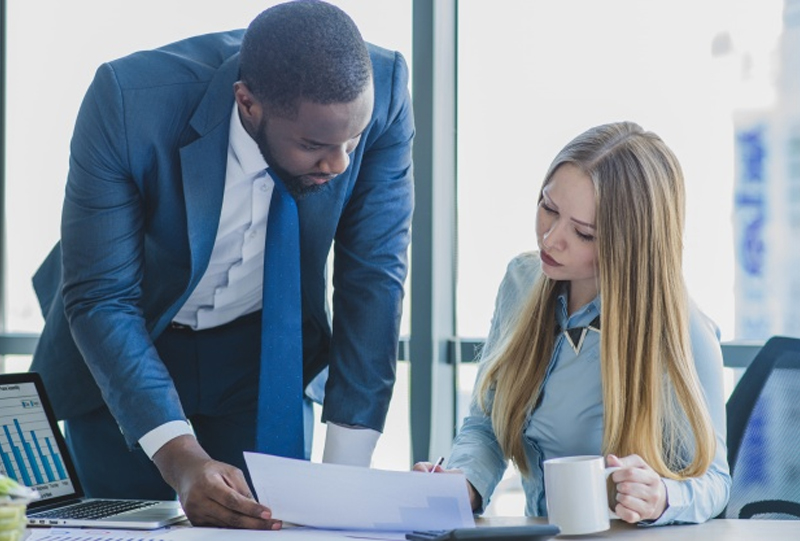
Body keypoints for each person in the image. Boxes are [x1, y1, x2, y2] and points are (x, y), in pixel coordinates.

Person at [31, 0, 414, 530]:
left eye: (352, 140)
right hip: (129, 348)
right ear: (247, 103)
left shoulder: (386, 87)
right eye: (314, 145)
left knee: (273, 524)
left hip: (262, 354)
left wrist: (343, 483)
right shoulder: (128, 102)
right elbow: (102, 298)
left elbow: (373, 278)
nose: (340, 163)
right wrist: (180, 458)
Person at [415, 122, 730, 525]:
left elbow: (715, 481)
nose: (550, 239)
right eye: (548, 208)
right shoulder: (521, 281)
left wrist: (664, 497)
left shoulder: (683, 332)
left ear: (628, 246)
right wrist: (462, 484)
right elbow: (486, 426)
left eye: (582, 233)